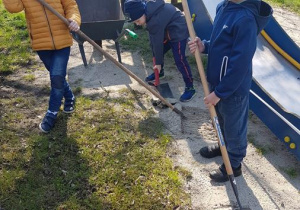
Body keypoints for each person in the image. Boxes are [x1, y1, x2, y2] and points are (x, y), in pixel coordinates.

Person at [188, 0, 272, 182]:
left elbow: (239, 65)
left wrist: (219, 93)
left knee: (234, 127)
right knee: (219, 120)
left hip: (233, 89)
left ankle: (233, 164)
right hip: (217, 82)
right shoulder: (223, 6)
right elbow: (220, 42)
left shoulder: (246, 20)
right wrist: (205, 46)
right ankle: (222, 146)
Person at [3, 0, 81, 133]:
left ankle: (52, 112)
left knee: (56, 78)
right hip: (41, 42)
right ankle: (69, 97)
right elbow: (14, 8)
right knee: (57, 76)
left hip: (62, 40)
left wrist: (73, 20)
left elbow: (70, 6)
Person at [124, 0, 196, 102]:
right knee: (156, 49)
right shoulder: (148, 11)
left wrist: (157, 62)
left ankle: (190, 87)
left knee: (179, 59)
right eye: (135, 22)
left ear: (142, 13)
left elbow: (157, 42)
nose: (138, 24)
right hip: (167, 28)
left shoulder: (154, 20)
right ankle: (160, 72)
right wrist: (157, 60)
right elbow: (153, 40)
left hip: (178, 29)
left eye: (137, 20)